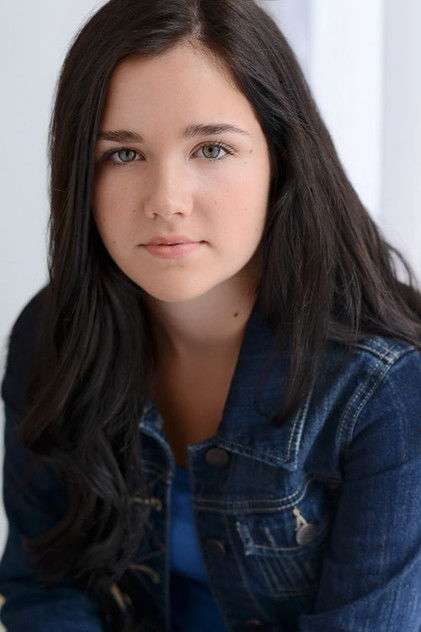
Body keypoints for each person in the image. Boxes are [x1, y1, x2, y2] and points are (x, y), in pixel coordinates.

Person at [1, 0, 420, 630]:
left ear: (282, 157)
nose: (166, 201)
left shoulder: (386, 387)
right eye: (123, 154)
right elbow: (45, 589)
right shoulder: (52, 337)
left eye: (213, 149)